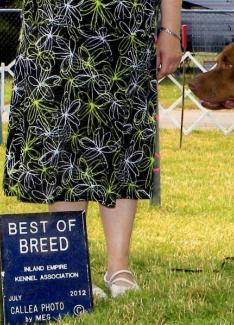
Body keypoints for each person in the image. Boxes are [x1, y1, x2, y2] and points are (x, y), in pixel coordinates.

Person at [3, 0, 182, 298]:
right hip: (56, 23)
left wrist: (171, 30)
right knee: (61, 139)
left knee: (124, 137)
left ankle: (119, 266)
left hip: (126, 26)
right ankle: (72, 265)